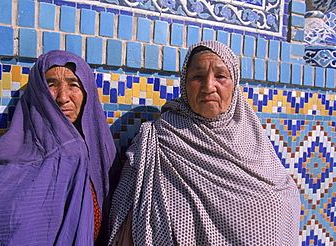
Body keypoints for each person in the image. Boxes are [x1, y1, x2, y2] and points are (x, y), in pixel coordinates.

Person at [109, 40, 301, 245]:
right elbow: (125, 223)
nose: (209, 87)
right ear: (184, 83)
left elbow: (285, 200)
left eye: (220, 76)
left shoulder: (254, 141)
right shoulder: (154, 141)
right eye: (197, 77)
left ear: (234, 84)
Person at [0, 50, 121, 245]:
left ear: (87, 92)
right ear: (39, 93)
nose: (63, 97)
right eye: (51, 85)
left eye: (73, 85)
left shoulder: (103, 150)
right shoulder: (13, 152)